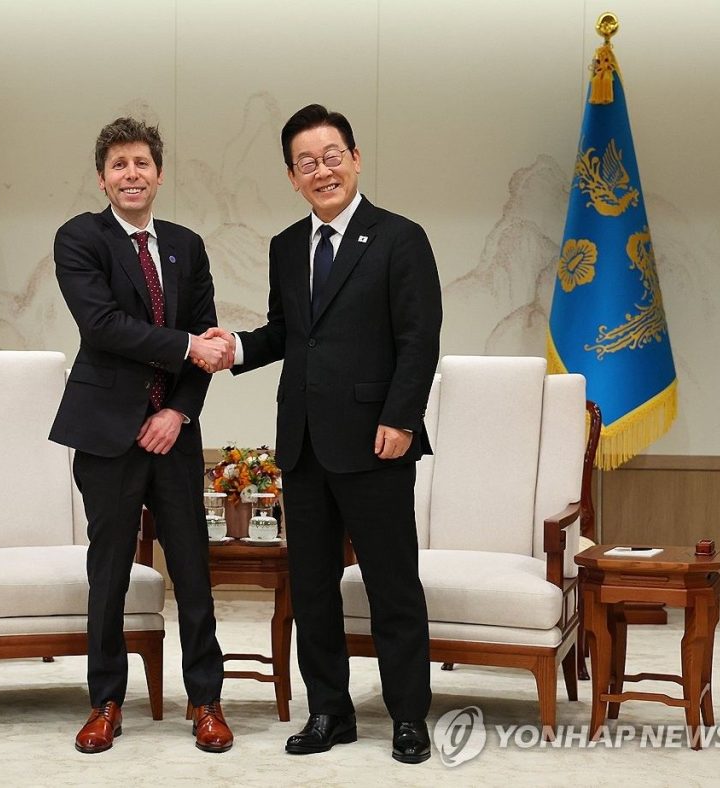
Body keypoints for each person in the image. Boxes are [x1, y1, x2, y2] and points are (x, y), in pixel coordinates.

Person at [201, 104, 442, 763]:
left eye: (332, 156)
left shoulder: (400, 238)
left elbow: (419, 338)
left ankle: (408, 716)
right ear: (292, 176)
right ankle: (330, 712)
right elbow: (288, 333)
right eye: (306, 162)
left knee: (392, 585)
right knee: (311, 589)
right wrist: (235, 348)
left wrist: (401, 417)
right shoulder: (286, 246)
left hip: (376, 441)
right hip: (304, 443)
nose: (322, 170)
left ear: (355, 159)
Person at [49, 117, 234, 754]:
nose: (132, 174)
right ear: (103, 179)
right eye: (119, 165)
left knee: (194, 573)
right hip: (107, 434)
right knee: (109, 573)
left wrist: (177, 412)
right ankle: (105, 702)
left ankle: (205, 701)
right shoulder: (80, 238)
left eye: (142, 164)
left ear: (159, 174)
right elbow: (103, 326)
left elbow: (208, 339)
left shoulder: (187, 245)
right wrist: (186, 346)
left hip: (173, 434)